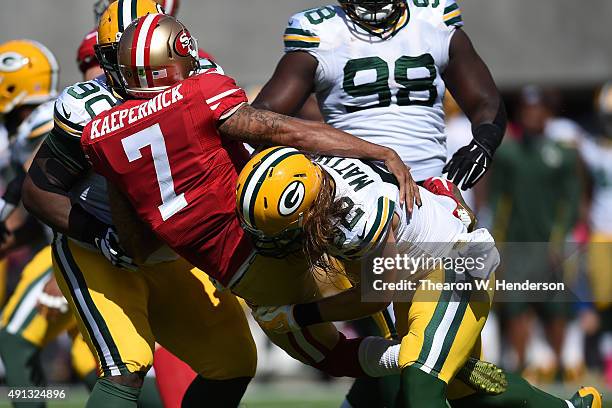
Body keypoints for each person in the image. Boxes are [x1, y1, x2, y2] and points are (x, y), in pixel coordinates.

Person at [22, 2, 257, 407]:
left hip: (169, 249)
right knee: (126, 364)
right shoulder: (89, 109)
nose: (141, 69)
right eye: (127, 57)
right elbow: (37, 191)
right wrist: (100, 237)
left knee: (232, 361)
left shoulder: (204, 83)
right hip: (100, 249)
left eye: (153, 58)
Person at [242, 147, 602, 408]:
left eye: (285, 229)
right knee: (465, 393)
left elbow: (378, 295)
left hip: (455, 264)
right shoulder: (321, 171)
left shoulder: (356, 222)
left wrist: (296, 315)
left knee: (420, 382)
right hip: (416, 276)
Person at [489, 87, 581, 381]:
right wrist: (497, 242)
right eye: (526, 109)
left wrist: (562, 239)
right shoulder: (508, 153)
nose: (531, 115)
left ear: (547, 113)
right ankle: (521, 365)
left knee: (555, 307)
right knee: (516, 305)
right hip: (517, 242)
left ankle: (557, 365)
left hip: (550, 244)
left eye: (537, 109)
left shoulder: (564, 154)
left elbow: (572, 201)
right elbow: (496, 200)